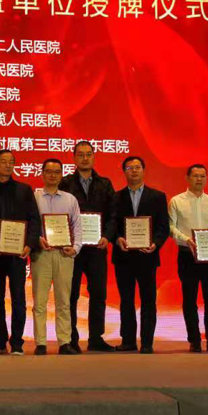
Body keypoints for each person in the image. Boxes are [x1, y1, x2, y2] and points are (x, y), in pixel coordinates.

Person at [0, 149, 41, 355]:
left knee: (18, 298)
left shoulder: (24, 190)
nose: (8, 165)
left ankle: (17, 342)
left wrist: (29, 244)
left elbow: (34, 219)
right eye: (3, 161)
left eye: (11, 161)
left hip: (17, 254)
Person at [104, 156, 169, 354]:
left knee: (148, 299)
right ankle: (128, 340)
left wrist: (155, 243)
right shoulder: (116, 197)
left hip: (147, 256)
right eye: (129, 167)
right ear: (124, 172)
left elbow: (163, 227)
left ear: (143, 170)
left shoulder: (157, 197)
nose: (134, 170)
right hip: (123, 256)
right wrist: (117, 239)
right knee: (126, 300)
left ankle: (147, 342)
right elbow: (111, 224)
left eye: (137, 167)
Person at [58, 141, 116, 353]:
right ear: (74, 158)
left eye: (88, 154)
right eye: (81, 154)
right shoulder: (65, 183)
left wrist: (107, 236)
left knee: (98, 293)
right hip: (73, 249)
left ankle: (96, 338)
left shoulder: (105, 184)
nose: (85, 158)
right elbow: (59, 214)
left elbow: (113, 215)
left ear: (93, 157)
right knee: (71, 294)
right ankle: (71, 338)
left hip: (97, 248)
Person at [168, 164, 208, 353]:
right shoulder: (176, 201)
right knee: (189, 299)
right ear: (187, 178)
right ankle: (194, 340)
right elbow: (171, 227)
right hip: (187, 254)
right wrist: (186, 240)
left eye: (202, 176)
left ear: (207, 178)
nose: (199, 179)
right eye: (195, 176)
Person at [32, 159, 82, 355]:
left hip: (64, 255)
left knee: (64, 301)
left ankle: (64, 342)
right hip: (41, 254)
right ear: (42, 174)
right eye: (48, 171)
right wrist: (37, 239)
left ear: (61, 175)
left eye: (56, 172)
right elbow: (31, 225)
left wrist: (75, 248)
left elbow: (77, 226)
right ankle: (40, 343)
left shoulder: (70, 199)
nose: (52, 175)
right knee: (39, 301)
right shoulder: (34, 198)